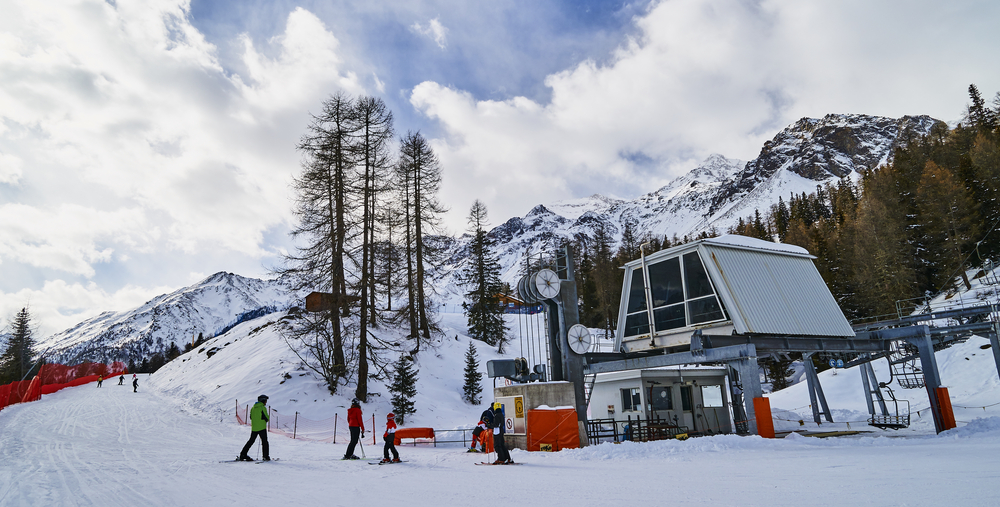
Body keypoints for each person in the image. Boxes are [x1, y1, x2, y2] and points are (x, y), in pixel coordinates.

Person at [239, 394, 270, 461]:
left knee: (251, 441)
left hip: (254, 428)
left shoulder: (253, 408)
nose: (266, 402)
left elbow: (251, 417)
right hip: (261, 428)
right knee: (264, 442)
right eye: (265, 401)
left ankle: (243, 454)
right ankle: (265, 456)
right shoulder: (262, 408)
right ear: (263, 401)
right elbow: (267, 418)